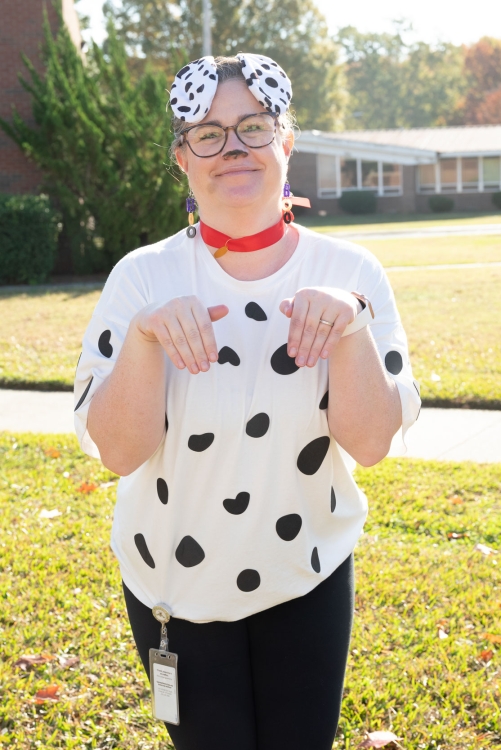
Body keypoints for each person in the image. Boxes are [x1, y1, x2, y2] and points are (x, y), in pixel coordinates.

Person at [74, 53, 421, 750]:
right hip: (173, 584)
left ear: (285, 141)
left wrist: (351, 325)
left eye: (253, 127)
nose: (233, 148)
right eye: (208, 134)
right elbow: (117, 452)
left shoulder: (350, 271)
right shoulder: (142, 276)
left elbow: (371, 444)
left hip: (306, 574)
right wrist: (144, 338)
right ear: (182, 159)